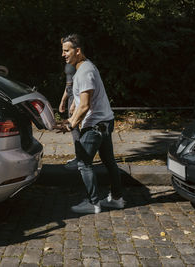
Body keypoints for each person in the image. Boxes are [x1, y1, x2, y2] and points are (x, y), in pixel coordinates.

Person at [57, 34, 125, 214]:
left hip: (95, 125)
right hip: (105, 121)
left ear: (77, 51)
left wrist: (70, 124)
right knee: (109, 161)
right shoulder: (86, 67)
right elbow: (84, 99)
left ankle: (93, 203)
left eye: (66, 51)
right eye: (62, 51)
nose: (63, 54)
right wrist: (73, 103)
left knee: (83, 163)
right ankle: (117, 199)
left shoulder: (84, 72)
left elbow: (86, 105)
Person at [58, 63, 81, 170]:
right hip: (72, 98)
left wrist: (74, 103)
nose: (63, 53)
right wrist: (63, 101)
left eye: (66, 50)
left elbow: (79, 85)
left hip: (75, 99)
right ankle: (82, 157)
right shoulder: (71, 64)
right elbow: (69, 86)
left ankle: (80, 159)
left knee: (74, 128)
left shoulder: (74, 64)